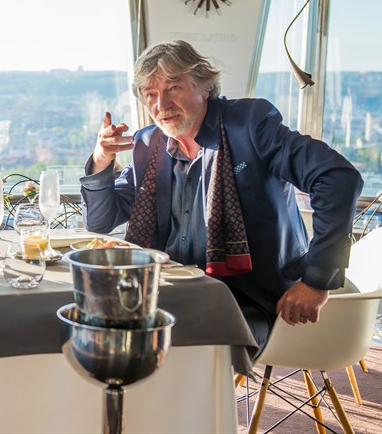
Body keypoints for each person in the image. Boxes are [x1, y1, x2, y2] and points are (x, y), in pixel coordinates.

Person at [80, 41, 363, 354]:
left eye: (174, 87)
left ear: (204, 87)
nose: (162, 104)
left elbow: (338, 178)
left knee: (172, 347)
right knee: (95, 328)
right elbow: (100, 221)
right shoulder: (148, 144)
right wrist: (101, 159)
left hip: (248, 299)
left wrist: (316, 280)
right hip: (166, 292)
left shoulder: (250, 124)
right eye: (150, 94)